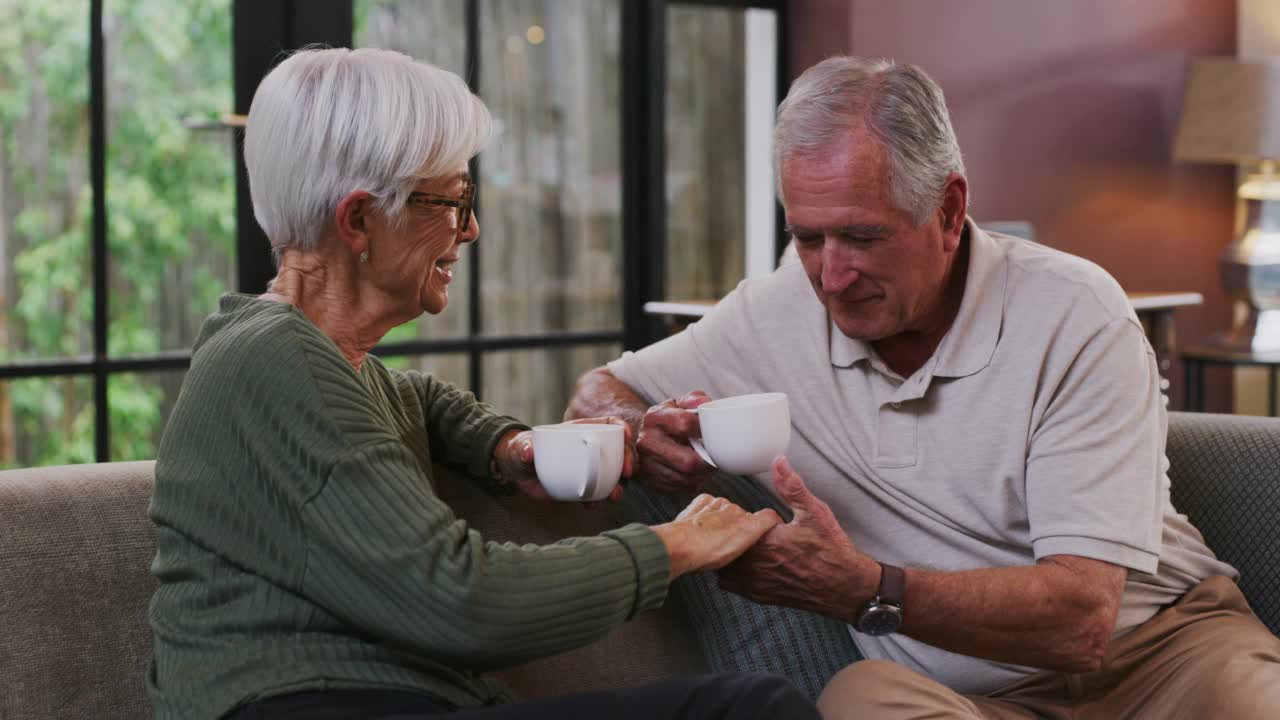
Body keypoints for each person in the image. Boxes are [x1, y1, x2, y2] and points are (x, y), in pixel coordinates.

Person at [566, 55, 1280, 719]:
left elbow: (1082, 621)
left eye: (863, 237)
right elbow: (600, 388)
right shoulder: (777, 308)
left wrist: (865, 588)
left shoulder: (1074, 313)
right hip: (964, 697)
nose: (831, 277)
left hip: (1165, 653)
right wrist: (641, 432)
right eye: (808, 238)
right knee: (859, 697)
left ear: (947, 209)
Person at [146, 47, 822, 720]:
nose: (470, 229)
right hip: (302, 706)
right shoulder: (278, 363)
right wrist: (677, 544)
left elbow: (416, 401)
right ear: (358, 221)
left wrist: (511, 449)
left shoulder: (309, 358)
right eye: (454, 200)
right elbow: (460, 599)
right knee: (752, 710)